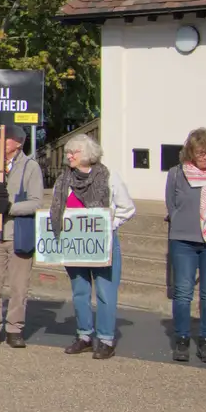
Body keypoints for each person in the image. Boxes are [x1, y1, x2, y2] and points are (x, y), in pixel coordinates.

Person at [51, 134, 134, 361]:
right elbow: (56, 210)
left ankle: (106, 339)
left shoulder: (108, 177)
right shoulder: (63, 180)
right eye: (68, 152)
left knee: (106, 292)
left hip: (103, 243)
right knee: (80, 291)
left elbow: (128, 208)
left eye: (73, 152)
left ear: (87, 154)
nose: (69, 156)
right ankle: (84, 336)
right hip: (75, 244)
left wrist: (109, 225)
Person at [0, 124, 43, 348]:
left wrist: (10, 207)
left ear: (18, 143)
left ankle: (15, 328)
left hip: (18, 234)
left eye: (4, 140)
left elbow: (36, 202)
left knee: (19, 285)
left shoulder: (31, 167)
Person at [165, 127, 206, 363]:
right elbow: (171, 206)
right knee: (183, 293)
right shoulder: (176, 174)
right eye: (203, 153)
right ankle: (182, 339)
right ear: (191, 153)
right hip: (183, 240)